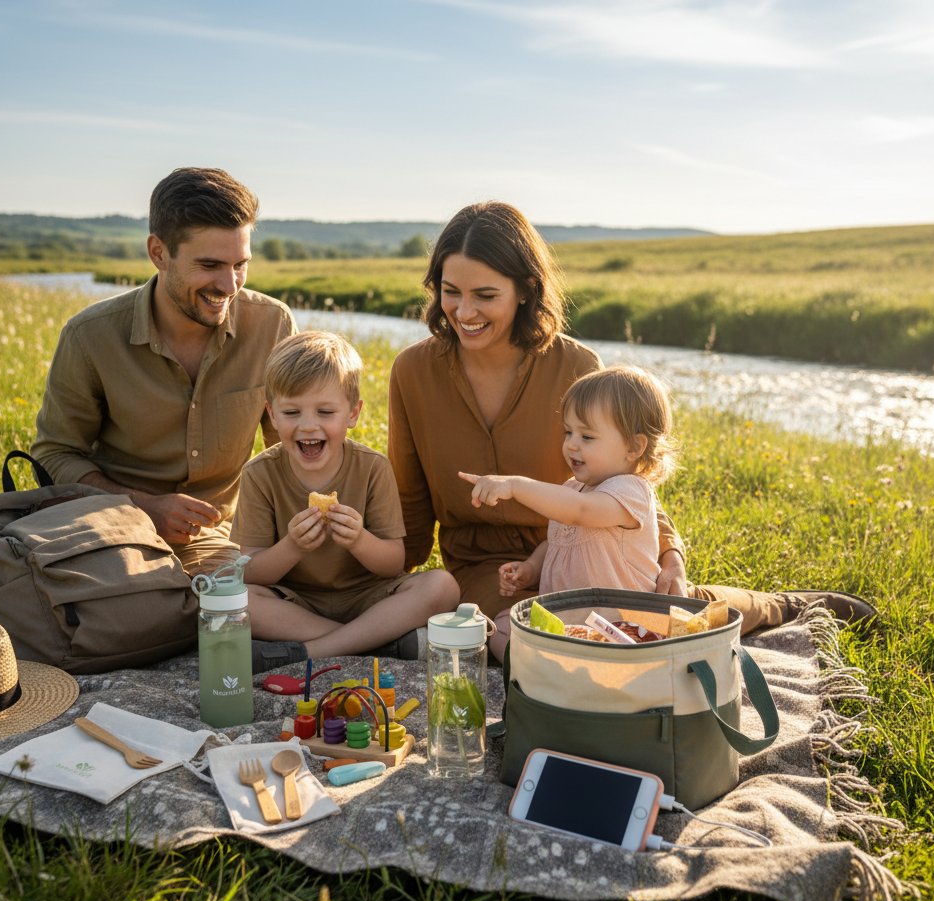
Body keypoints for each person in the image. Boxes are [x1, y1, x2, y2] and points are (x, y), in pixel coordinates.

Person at [387, 200, 877, 652]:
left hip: (598, 554)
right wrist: (358, 576)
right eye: (451, 293)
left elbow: (628, 479)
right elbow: (408, 507)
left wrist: (672, 556)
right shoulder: (413, 371)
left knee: (679, 616)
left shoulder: (575, 365)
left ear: (525, 291)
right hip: (492, 575)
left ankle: (782, 608)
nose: (464, 312)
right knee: (543, 644)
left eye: (485, 295)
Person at [30, 167, 296, 576]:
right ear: (158, 253)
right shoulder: (90, 336)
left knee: (245, 593)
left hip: (219, 538)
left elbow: (291, 445)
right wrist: (140, 506)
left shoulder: (273, 325)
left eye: (240, 264)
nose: (229, 285)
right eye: (210, 265)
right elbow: (55, 454)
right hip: (109, 531)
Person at [231, 331, 460, 670]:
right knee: (238, 601)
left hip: (369, 598)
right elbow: (251, 573)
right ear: (272, 414)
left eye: (325, 412)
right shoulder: (259, 474)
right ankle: (378, 645)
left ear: (353, 414)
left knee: (443, 586)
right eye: (292, 412)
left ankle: (310, 652)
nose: (308, 426)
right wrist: (293, 546)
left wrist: (359, 540)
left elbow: (394, 563)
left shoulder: (372, 468)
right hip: (297, 602)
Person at [460, 365, 679, 662]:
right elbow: (557, 540)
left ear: (634, 447)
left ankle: (549, 673)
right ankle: (542, 671)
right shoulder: (573, 489)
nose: (571, 444)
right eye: (568, 432)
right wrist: (531, 569)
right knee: (502, 627)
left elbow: (579, 513)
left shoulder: (631, 491)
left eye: (587, 437)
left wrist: (514, 486)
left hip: (621, 627)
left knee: (599, 655)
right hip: (569, 623)